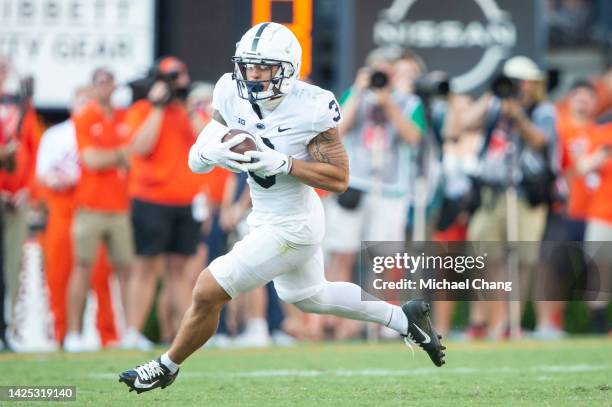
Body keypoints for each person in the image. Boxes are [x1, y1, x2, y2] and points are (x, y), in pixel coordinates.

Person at [118, 22, 446, 393]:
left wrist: (286, 164)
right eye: (248, 65)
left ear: (287, 68)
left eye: (264, 67)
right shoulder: (230, 90)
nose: (253, 75)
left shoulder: (312, 105)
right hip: (265, 215)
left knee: (208, 288)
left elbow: (339, 179)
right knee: (311, 296)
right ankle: (405, 320)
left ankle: (166, 365)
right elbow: (199, 156)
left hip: (294, 223)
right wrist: (210, 151)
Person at [460, 56, 558, 339]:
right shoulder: (494, 104)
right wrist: (493, 93)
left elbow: (540, 140)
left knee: (523, 258)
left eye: (523, 81)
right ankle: (490, 319)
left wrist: (517, 114)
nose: (519, 86)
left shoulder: (543, 110)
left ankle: (510, 322)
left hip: (526, 192)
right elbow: (466, 123)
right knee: (484, 253)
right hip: (493, 191)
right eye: (513, 81)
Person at [121, 57, 204, 350]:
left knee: (179, 271)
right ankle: (132, 332)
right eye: (171, 78)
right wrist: (157, 106)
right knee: (146, 267)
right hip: (151, 199)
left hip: (185, 201)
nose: (176, 84)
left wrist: (191, 108)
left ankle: (187, 335)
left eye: (179, 77)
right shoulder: (142, 110)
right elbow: (141, 146)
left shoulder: (188, 111)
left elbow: (204, 143)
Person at [36, 86, 120, 348]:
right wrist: (55, 180)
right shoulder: (56, 134)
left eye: (89, 102)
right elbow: (42, 173)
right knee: (59, 272)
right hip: (63, 206)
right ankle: (62, 334)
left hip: (95, 205)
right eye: (80, 101)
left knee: (101, 273)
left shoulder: (102, 130)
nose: (84, 106)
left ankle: (107, 334)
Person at [64, 68, 133, 351]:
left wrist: (117, 156)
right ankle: (72, 334)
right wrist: (120, 155)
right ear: (93, 87)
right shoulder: (85, 117)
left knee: (126, 269)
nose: (106, 88)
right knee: (82, 267)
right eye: (100, 83)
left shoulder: (122, 117)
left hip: (119, 206)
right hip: (90, 206)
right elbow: (91, 159)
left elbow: (134, 157)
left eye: (109, 82)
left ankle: (131, 332)